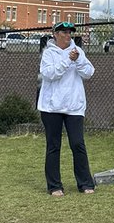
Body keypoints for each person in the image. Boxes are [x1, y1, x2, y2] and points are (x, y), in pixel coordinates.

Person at [38, 20, 96, 197]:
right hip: (51, 107)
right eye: (63, 32)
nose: (67, 35)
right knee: (53, 145)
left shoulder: (78, 52)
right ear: (55, 34)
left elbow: (89, 72)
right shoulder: (48, 53)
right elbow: (49, 74)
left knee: (78, 144)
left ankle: (85, 183)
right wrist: (66, 61)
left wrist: (77, 60)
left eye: (70, 32)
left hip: (74, 106)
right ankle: (54, 186)